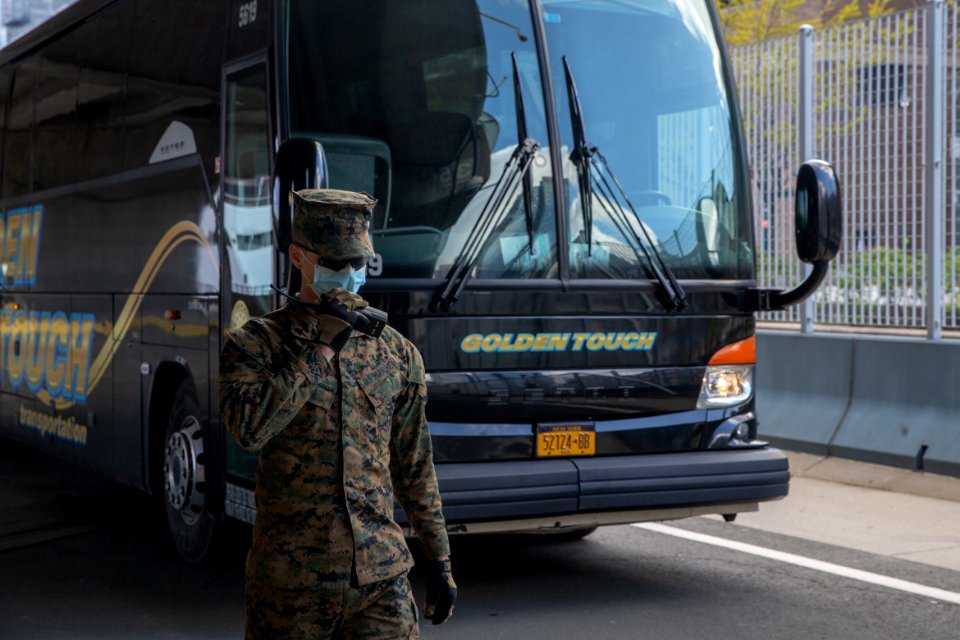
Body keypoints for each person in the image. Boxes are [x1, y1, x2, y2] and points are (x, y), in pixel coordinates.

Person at [219, 189, 456, 639]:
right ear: (298, 257)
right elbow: (248, 429)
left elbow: (414, 463)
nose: (348, 278)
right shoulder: (255, 344)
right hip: (292, 585)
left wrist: (440, 558)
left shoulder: (396, 352)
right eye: (334, 264)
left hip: (380, 580)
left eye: (357, 265)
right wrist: (322, 348)